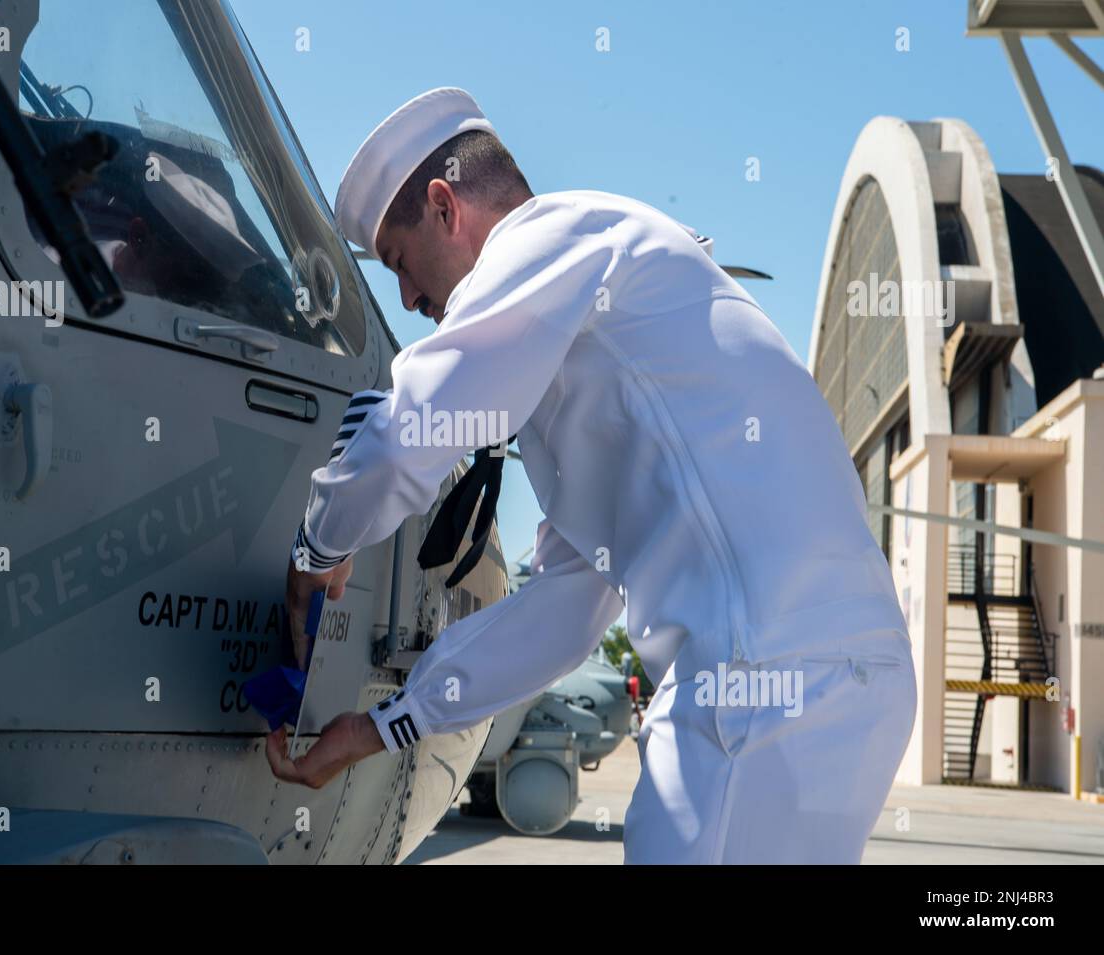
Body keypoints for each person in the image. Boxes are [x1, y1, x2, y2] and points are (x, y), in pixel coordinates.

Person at [265, 87, 917, 864]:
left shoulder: (548, 240)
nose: (408, 300)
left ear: (445, 207)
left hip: (760, 670)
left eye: (402, 263)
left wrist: (318, 545)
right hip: (842, 674)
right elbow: (567, 609)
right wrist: (383, 726)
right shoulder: (604, 305)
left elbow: (413, 431)